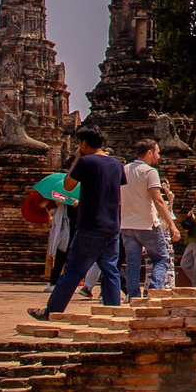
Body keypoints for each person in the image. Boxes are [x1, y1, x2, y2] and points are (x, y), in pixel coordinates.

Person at [29, 127, 126, 319]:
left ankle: (52, 311)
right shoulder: (117, 164)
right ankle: (113, 312)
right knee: (110, 270)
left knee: (74, 270)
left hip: (91, 224)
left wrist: (75, 159)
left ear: (83, 144)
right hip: (112, 224)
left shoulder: (85, 162)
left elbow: (67, 186)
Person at [118, 137, 174, 298]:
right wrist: (171, 224)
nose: (158, 156)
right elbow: (158, 200)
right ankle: (152, 293)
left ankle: (133, 297)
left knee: (132, 264)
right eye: (157, 153)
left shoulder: (124, 170)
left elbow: (119, 199)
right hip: (147, 223)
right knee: (161, 259)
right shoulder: (150, 172)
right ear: (149, 153)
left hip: (127, 224)